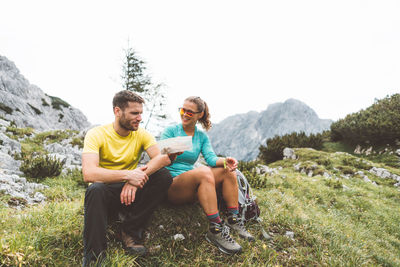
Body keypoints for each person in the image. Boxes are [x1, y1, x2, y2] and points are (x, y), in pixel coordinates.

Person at [81, 90, 178, 266]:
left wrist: (135, 180)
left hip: (131, 194)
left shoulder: (142, 134)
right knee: (95, 189)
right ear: (117, 111)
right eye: (134, 113)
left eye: (141, 113)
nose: (139, 118)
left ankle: (130, 231)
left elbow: (161, 159)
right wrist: (128, 175)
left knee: (163, 176)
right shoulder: (96, 134)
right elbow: (89, 173)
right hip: (106, 194)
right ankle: (95, 258)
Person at [160, 96, 254, 255]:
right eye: (182, 110)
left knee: (227, 170)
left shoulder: (201, 137)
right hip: (173, 185)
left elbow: (210, 159)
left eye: (190, 112)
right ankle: (216, 228)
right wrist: (171, 153)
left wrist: (226, 161)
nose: (184, 114)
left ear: (199, 115)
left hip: (193, 183)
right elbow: (159, 156)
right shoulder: (171, 131)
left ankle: (233, 220)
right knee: (203, 172)